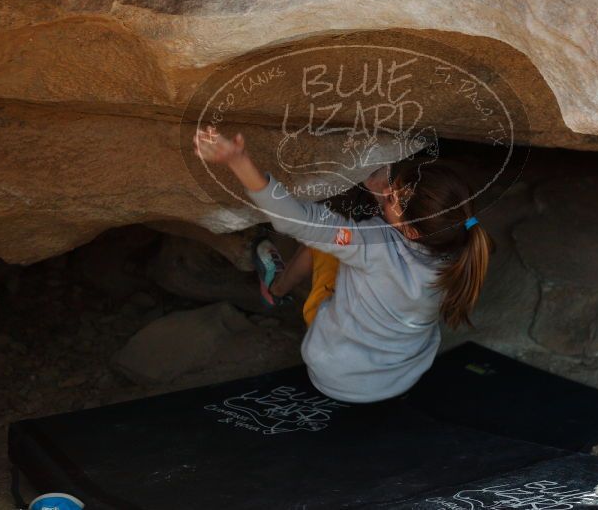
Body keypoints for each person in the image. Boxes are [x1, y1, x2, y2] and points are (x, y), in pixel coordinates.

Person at [193, 126, 492, 403]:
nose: (386, 193)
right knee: (349, 255)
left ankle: (275, 287)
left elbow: (299, 221)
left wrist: (238, 161)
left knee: (325, 247)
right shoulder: (462, 245)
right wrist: (381, 196)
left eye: (392, 199)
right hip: (401, 378)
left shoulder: (369, 246)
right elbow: (400, 241)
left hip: (335, 377)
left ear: (412, 231)